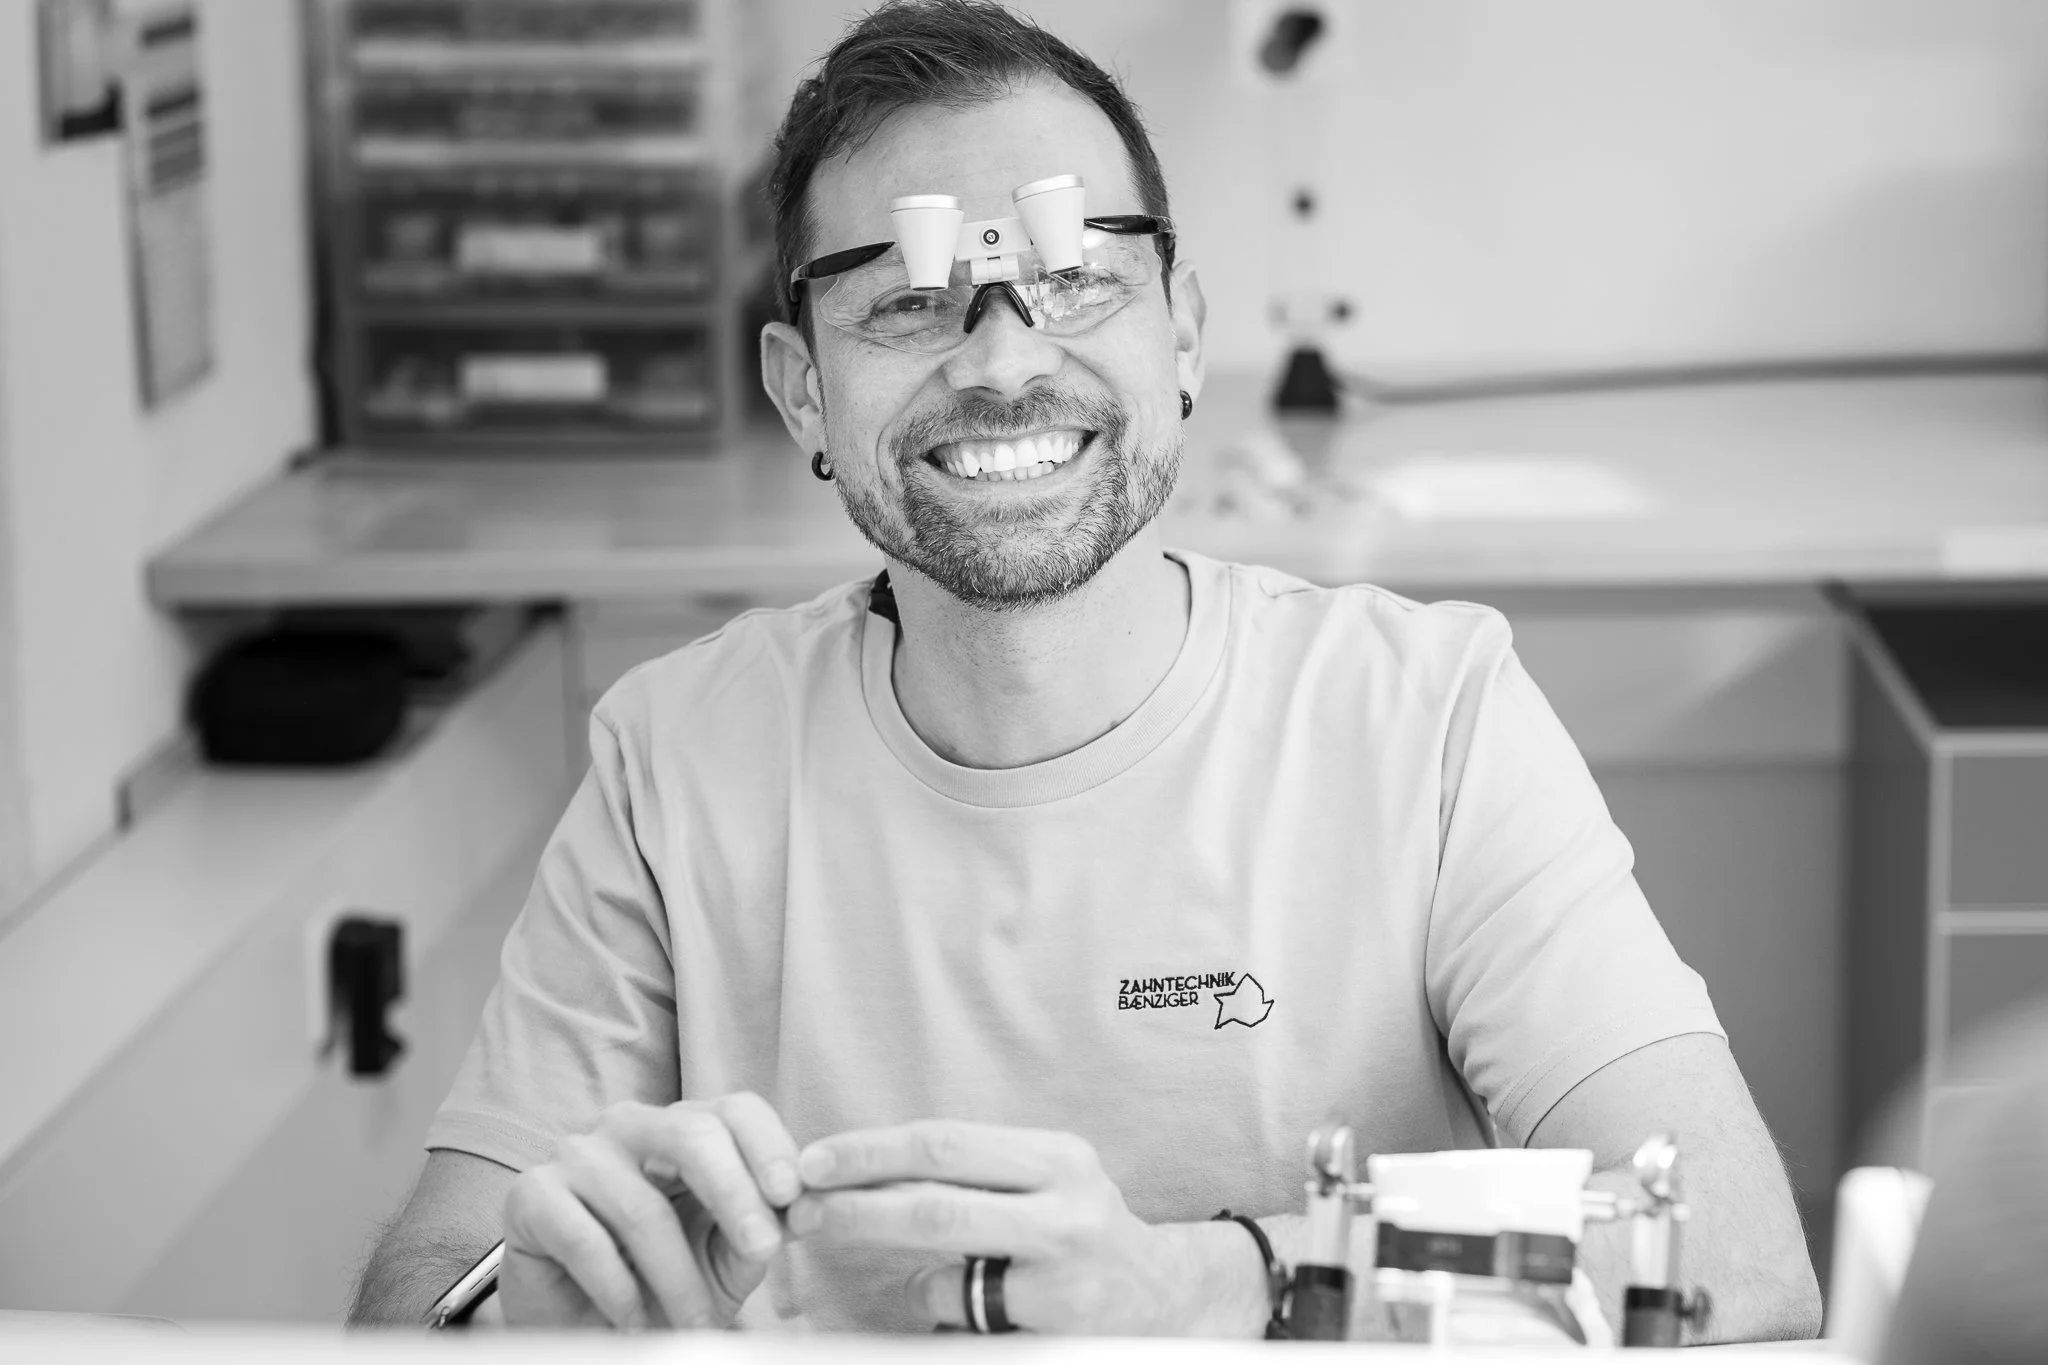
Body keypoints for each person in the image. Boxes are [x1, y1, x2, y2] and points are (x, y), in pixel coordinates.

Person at [351, 0, 1819, 1339]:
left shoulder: (1428, 719)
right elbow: (419, 1297)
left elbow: (1729, 1253)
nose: (1001, 367)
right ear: (803, 390)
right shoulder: (674, 761)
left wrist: (1204, 1285)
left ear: (1183, 336)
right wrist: (520, 1317)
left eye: (1073, 282)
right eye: (907, 302)